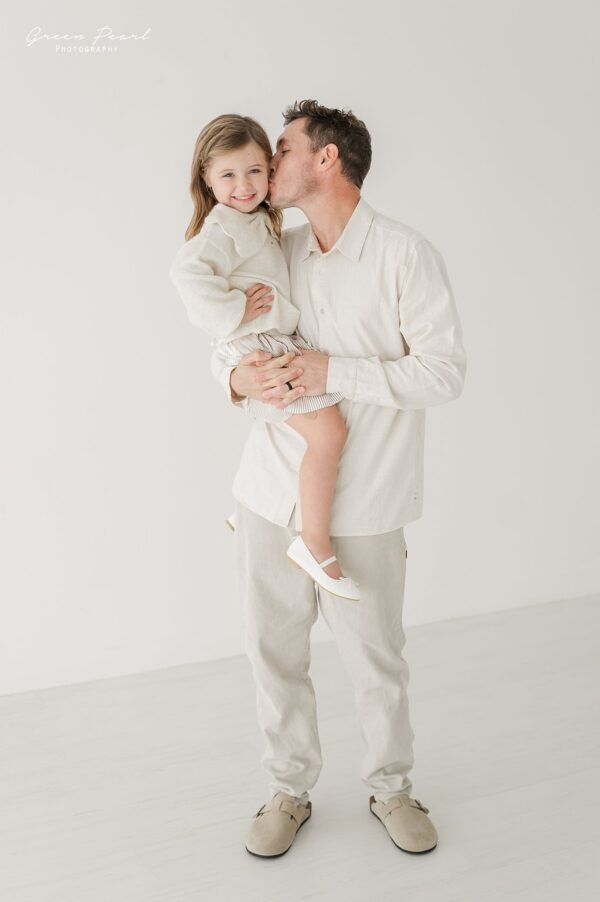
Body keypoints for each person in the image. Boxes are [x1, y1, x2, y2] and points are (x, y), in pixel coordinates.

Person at [211, 99, 467, 858]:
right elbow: (226, 340)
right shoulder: (273, 245)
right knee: (273, 651)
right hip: (268, 492)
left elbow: (444, 373)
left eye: (283, 148)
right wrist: (238, 379)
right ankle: (288, 789)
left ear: (326, 159)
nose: (269, 162)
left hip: (367, 502)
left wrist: (335, 371)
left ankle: (391, 788)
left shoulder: (405, 255)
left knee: (376, 658)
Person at [169, 114, 360, 601]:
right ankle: (315, 544)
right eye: (228, 175)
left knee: (296, 429)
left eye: (255, 170)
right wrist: (234, 309)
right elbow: (186, 273)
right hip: (258, 344)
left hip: (270, 340)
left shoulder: (259, 222)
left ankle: (254, 508)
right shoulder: (221, 230)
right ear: (207, 179)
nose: (244, 185)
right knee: (328, 434)